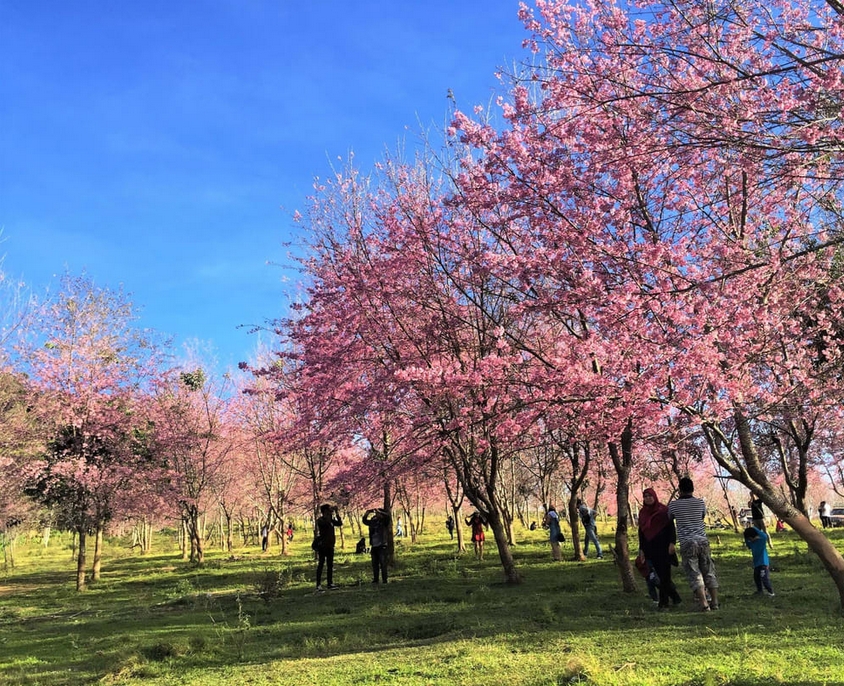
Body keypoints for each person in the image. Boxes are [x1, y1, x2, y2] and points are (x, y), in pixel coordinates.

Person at [668, 477, 719, 611]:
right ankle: (715, 602)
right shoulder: (700, 503)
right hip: (702, 540)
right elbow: (702, 516)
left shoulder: (674, 505)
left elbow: (669, 517)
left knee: (694, 573)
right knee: (708, 570)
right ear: (693, 489)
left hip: (687, 542)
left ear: (680, 490)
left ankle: (703, 604)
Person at [637, 488, 682, 609]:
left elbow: (671, 528)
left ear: (655, 496)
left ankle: (664, 603)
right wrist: (641, 549)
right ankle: (675, 598)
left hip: (664, 547)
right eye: (645, 496)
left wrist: (672, 543)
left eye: (650, 496)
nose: (648, 498)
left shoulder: (663, 510)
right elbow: (641, 532)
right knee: (659, 576)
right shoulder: (642, 513)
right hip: (650, 548)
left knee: (664, 576)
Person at [314, 503, 342, 591]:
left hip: (330, 545)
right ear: (325, 511)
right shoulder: (321, 520)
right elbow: (325, 524)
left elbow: (340, 523)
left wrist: (337, 513)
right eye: (329, 510)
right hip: (323, 546)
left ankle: (330, 583)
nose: (331, 511)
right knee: (321, 564)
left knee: (330, 565)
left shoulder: (331, 520)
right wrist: (329, 516)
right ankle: (318, 584)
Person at [744, 526, 775, 597]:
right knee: (756, 578)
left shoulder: (762, 540)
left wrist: (754, 528)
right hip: (756, 563)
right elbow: (747, 541)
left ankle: (771, 592)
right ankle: (760, 591)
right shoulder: (750, 543)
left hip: (763, 563)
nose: (750, 540)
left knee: (764, 578)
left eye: (751, 538)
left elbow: (764, 535)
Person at [362, 507, 389, 584]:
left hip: (382, 545)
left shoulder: (384, 521)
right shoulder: (373, 521)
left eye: (378, 513)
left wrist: (381, 512)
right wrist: (367, 513)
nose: (376, 514)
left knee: (383, 563)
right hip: (374, 545)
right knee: (375, 564)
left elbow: (388, 516)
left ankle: (384, 580)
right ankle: (376, 579)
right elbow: (364, 521)